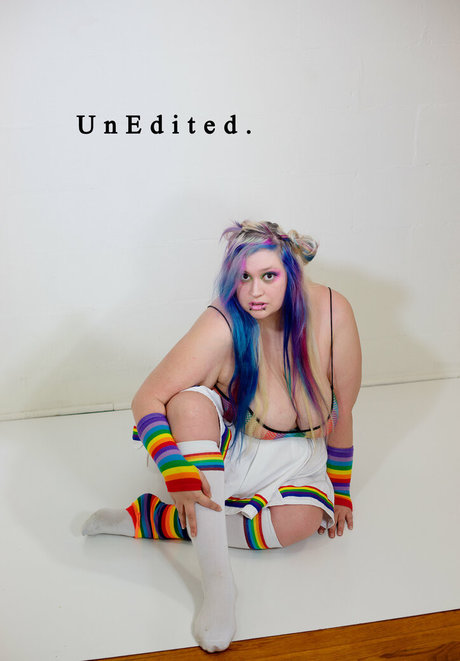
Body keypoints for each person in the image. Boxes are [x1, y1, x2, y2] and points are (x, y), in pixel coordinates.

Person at [82, 220, 362, 653]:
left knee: (301, 524)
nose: (254, 291)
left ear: (292, 273)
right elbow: (147, 398)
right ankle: (218, 585)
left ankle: (158, 521)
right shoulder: (223, 320)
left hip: (296, 461)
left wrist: (340, 493)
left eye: (269, 276)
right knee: (187, 402)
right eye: (244, 277)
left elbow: (343, 410)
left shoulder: (332, 312)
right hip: (229, 452)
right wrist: (177, 473)